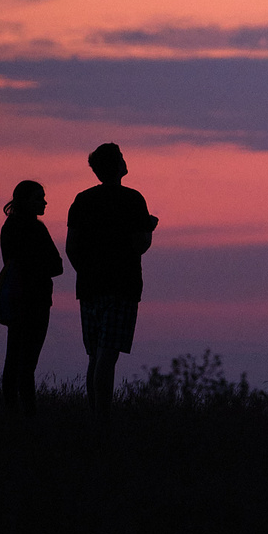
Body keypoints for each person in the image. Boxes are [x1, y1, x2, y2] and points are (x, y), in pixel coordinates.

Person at [66, 143, 157, 417]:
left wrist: (86, 272)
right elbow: (140, 244)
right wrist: (149, 229)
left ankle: (95, 415)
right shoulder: (132, 199)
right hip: (122, 287)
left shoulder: (82, 200)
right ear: (118, 165)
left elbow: (71, 247)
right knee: (107, 355)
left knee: (95, 356)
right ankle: (102, 420)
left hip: (90, 288)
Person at [0, 179, 63, 416]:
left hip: (17, 300)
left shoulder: (8, 228)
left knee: (14, 359)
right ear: (25, 201)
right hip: (34, 303)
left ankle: (13, 412)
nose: (44, 202)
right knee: (27, 364)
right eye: (39, 198)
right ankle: (27, 415)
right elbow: (56, 265)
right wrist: (40, 266)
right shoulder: (36, 229)